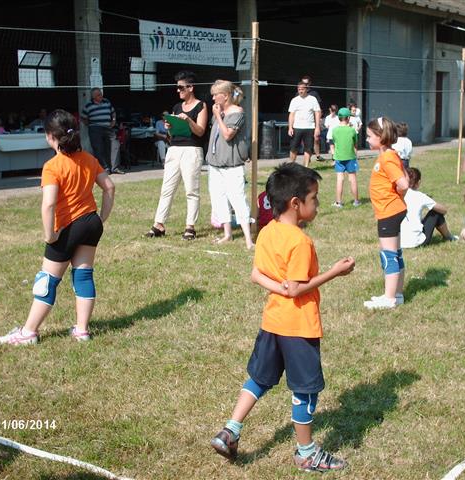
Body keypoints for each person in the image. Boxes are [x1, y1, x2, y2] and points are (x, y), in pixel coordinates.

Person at [210, 163, 355, 472]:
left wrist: (283, 288)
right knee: (305, 389)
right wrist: (334, 272)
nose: (318, 204)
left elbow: (256, 275)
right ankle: (307, 453)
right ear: (295, 203)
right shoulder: (300, 241)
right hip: (298, 327)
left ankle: (230, 429)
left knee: (259, 379)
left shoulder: (267, 231)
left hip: (272, 322)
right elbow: (298, 289)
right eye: (314, 198)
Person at [0, 109, 115, 345]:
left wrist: (50, 235)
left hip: (69, 227)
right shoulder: (89, 159)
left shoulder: (52, 166)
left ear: (50, 136)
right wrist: (101, 218)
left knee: (47, 281)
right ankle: (82, 330)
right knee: (83, 276)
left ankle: (28, 333)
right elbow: (109, 187)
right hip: (91, 223)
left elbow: (49, 204)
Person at [145, 71, 208, 240]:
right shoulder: (176, 107)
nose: (178, 90)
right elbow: (172, 134)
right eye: (177, 87)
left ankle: (190, 227)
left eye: (181, 87)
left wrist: (188, 120)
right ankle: (159, 224)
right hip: (174, 149)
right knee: (167, 188)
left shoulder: (201, 106)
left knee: (191, 190)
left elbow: (200, 131)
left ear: (191, 87)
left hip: (192, 150)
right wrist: (169, 127)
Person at [364, 117, 409, 310]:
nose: (367, 139)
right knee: (396, 253)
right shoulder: (391, 154)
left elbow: (404, 183)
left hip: (388, 212)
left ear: (381, 136)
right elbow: (405, 175)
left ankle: (389, 299)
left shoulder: (387, 158)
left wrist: (397, 194)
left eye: (369, 136)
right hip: (392, 210)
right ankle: (397, 294)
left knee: (388, 255)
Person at [206, 80, 253, 249]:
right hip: (215, 163)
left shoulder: (237, 113)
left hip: (231, 165)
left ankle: (248, 239)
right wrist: (218, 115)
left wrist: (218, 116)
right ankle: (228, 234)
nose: (212, 98)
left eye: (215, 95)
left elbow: (227, 135)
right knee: (218, 198)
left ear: (225, 96)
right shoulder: (220, 111)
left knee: (237, 198)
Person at [400, 167, 457, 248]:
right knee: (436, 213)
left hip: (399, 242)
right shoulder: (420, 196)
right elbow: (443, 210)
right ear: (418, 182)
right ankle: (449, 237)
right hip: (417, 242)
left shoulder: (398, 194)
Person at [81, 88, 124, 174]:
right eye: (98, 95)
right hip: (95, 128)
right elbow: (83, 117)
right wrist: (90, 125)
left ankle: (114, 168)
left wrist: (113, 121)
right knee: (98, 148)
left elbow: (113, 112)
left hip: (108, 127)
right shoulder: (88, 105)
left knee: (115, 144)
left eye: (101, 94)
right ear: (93, 97)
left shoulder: (106, 102)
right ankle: (105, 168)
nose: (101, 96)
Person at [331, 107, 360, 208]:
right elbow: (355, 144)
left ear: (339, 118)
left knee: (340, 179)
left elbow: (334, 142)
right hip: (351, 157)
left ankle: (338, 202)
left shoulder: (335, 130)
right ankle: (356, 201)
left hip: (339, 157)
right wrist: (355, 155)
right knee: (352, 179)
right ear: (348, 118)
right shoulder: (352, 130)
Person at [288, 81, 321, 167]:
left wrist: (317, 127)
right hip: (297, 127)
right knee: (293, 148)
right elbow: (291, 114)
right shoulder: (294, 100)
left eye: (302, 89)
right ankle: (291, 166)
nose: (300, 91)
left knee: (308, 149)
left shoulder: (313, 99)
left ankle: (305, 167)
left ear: (306, 89)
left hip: (309, 127)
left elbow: (317, 113)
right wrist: (290, 127)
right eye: (299, 89)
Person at [301, 75, 323, 161]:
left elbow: (318, 108)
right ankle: (307, 156)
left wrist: (319, 119)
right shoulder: (298, 94)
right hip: (303, 120)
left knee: (316, 138)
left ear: (310, 83)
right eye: (303, 83)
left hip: (313, 120)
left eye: (306, 83)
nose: (305, 85)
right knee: (305, 139)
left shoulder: (314, 94)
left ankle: (317, 155)